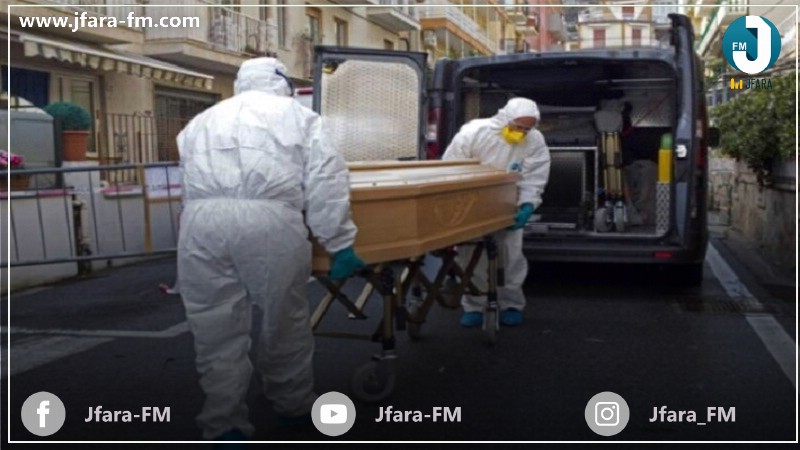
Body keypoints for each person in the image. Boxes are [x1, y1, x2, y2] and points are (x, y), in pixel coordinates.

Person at [176, 57, 365, 446]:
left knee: (214, 326)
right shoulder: (298, 117)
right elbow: (325, 180)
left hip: (200, 222)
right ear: (282, 83)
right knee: (283, 319)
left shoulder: (201, 121)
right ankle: (292, 404)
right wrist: (339, 241)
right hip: (268, 220)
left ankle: (223, 424)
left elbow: (188, 178)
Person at [442, 97, 550, 327]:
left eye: (527, 129)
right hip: (471, 203)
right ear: (504, 119)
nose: (521, 133)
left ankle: (511, 304)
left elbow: (534, 175)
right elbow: (451, 167)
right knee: (471, 255)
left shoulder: (534, 140)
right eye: (517, 127)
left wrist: (527, 204)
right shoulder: (474, 132)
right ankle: (474, 305)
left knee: (511, 256)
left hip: (508, 203)